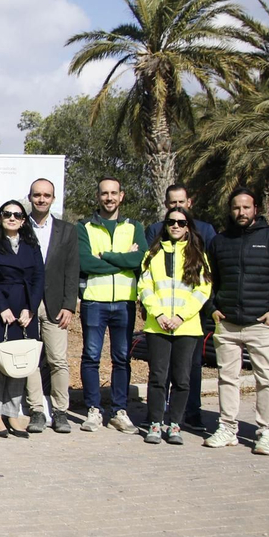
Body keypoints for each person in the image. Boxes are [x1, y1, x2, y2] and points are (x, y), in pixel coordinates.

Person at [206, 188, 269, 454]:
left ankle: (266, 432)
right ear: (230, 210)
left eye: (246, 207)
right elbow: (209, 279)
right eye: (236, 208)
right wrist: (212, 307)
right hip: (228, 323)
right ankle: (227, 428)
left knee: (265, 378)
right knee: (227, 378)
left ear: (256, 209)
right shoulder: (220, 242)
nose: (241, 212)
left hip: (261, 323)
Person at [137, 206, 212, 445]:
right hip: (157, 326)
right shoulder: (153, 254)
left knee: (182, 379)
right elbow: (144, 286)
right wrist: (158, 314)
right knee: (157, 377)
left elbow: (203, 290)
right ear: (165, 226)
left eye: (181, 222)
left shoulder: (197, 255)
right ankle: (155, 423)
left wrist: (180, 316)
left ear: (188, 226)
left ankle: (175, 425)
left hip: (186, 327)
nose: (176, 226)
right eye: (171, 222)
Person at [77, 176, 146, 434]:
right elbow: (86, 263)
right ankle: (93, 410)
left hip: (125, 302)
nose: (109, 198)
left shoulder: (134, 227)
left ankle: (119, 411)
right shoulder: (84, 227)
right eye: (104, 193)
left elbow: (140, 260)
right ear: (98, 196)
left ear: (121, 196)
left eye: (114, 193)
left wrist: (106, 256)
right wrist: (123, 260)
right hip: (95, 300)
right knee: (91, 357)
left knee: (122, 358)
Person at [0, 202, 44, 438]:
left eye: (17, 215)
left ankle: (12, 414)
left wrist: (30, 309)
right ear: (0, 217)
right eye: (7, 214)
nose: (12, 218)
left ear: (23, 220)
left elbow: (38, 277)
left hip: (24, 312)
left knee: (19, 364)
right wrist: (2, 308)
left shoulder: (31, 244)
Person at [24, 179, 78, 434]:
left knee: (58, 360)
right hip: (28, 306)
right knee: (31, 360)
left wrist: (69, 305)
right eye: (37, 195)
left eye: (46, 195)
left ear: (53, 199)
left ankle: (60, 411)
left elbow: (72, 270)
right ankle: (37, 410)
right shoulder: (20, 226)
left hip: (56, 306)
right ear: (30, 197)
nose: (41, 199)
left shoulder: (67, 230)